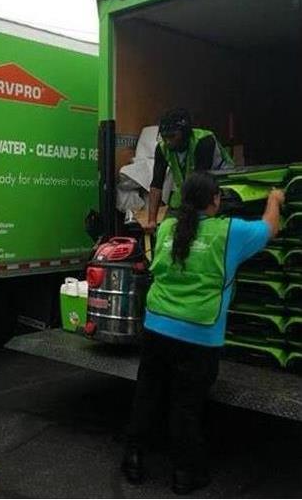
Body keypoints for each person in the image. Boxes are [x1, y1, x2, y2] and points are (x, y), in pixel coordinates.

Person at [122, 172, 284, 494]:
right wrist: (275, 200)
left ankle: (134, 459)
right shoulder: (229, 233)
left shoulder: (167, 227)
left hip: (156, 327)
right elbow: (271, 227)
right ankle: (186, 474)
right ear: (215, 200)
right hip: (198, 335)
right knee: (186, 406)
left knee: (148, 395)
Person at [146, 108, 232, 234]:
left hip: (219, 189)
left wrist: (184, 222)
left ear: (185, 133)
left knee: (201, 230)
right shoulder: (162, 148)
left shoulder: (204, 141)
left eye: (172, 136)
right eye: (164, 137)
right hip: (190, 189)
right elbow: (156, 185)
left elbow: (200, 184)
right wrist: (151, 221)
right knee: (168, 229)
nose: (168, 141)